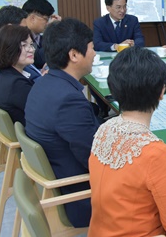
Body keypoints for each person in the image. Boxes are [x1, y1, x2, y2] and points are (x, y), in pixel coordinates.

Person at [89, 47, 166, 237]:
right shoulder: (156, 152)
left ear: (113, 88)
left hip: (98, 231)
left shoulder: (103, 130)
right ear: (162, 91)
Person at [24, 18, 100, 228]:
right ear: (74, 55)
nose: (94, 54)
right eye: (92, 48)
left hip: (61, 178)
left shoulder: (44, 84)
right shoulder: (69, 101)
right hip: (81, 198)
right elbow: (94, 159)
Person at [0, 25, 36, 126]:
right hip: (34, 134)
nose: (31, 49)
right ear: (8, 48)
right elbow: (45, 110)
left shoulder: (3, 74)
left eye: (31, 44)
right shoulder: (16, 85)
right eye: (24, 45)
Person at [0, 5, 42, 84]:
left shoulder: (13, 49)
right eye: (23, 28)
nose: (26, 31)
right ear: (9, 28)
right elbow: (12, 82)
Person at [22, 0, 61, 69]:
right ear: (33, 18)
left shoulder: (41, 38)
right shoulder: (22, 38)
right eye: (46, 19)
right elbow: (39, 59)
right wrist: (52, 30)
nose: (48, 23)